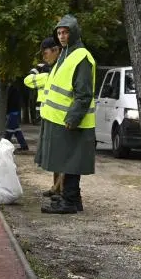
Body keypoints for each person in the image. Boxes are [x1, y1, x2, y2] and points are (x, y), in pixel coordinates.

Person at [36, 15, 96, 214]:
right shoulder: (66, 54)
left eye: (65, 32)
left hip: (71, 121)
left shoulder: (81, 56)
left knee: (70, 160)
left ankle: (68, 201)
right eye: (59, 33)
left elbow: (84, 93)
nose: (62, 36)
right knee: (67, 159)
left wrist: (73, 118)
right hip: (61, 119)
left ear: (74, 32)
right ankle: (73, 199)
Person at [25, 37, 63, 196]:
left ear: (56, 50)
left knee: (62, 156)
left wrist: (39, 74)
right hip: (49, 116)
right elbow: (28, 81)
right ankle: (56, 188)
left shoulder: (58, 70)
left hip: (60, 117)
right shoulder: (48, 70)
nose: (44, 57)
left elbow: (30, 80)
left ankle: (61, 190)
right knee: (55, 156)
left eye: (45, 53)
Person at [4, 80, 29, 151]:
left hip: (12, 111)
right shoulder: (14, 89)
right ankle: (24, 146)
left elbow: (11, 101)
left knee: (9, 130)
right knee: (16, 130)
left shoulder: (12, 89)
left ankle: (4, 145)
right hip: (14, 111)